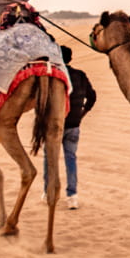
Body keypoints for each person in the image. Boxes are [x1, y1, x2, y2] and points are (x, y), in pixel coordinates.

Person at [43, 46, 97, 209]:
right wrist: (82, 114)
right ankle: (72, 196)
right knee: (71, 159)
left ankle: (48, 192)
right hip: (74, 124)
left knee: (49, 159)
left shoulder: (52, 75)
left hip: (53, 125)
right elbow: (92, 97)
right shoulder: (80, 75)